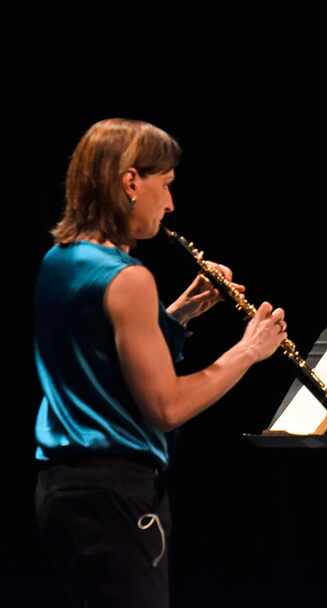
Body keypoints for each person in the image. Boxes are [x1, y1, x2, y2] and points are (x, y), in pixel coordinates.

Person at [33, 118, 288, 607]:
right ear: (131, 182)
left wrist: (178, 313)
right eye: (165, 185)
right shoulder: (128, 279)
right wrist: (249, 350)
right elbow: (165, 408)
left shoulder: (59, 259)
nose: (170, 204)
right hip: (116, 500)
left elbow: (101, 365)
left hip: (63, 496)